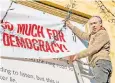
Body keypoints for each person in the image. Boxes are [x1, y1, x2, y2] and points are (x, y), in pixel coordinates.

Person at [64, 16, 112, 83]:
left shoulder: (102, 33)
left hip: (101, 62)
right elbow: (83, 35)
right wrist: (71, 26)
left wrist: (77, 56)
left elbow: (93, 48)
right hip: (101, 64)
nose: (93, 26)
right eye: (91, 24)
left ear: (100, 24)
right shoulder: (93, 35)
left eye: (95, 23)